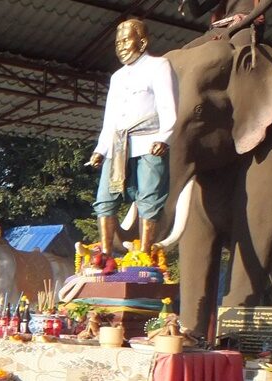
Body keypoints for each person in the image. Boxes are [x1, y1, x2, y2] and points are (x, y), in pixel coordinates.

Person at [88, 18, 176, 259]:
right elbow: (111, 119)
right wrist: (101, 149)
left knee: (149, 199)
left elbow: (168, 106)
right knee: (105, 199)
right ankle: (105, 254)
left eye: (126, 39)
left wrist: (165, 136)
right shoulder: (117, 77)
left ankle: (144, 254)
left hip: (149, 142)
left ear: (143, 41)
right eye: (118, 42)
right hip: (117, 147)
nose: (121, 46)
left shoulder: (159, 66)